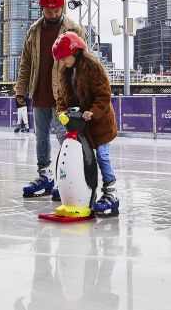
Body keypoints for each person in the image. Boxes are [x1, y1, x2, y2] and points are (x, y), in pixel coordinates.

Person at [14, 0, 85, 197]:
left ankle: (69, 175)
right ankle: (45, 176)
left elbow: (83, 63)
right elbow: (26, 62)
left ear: (62, 7)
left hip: (64, 93)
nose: (52, 15)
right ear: (42, 9)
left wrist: (80, 92)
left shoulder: (74, 30)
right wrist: (21, 88)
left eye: (56, 11)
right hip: (39, 91)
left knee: (65, 136)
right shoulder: (34, 31)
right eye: (48, 11)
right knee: (41, 136)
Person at [53, 31, 119, 216]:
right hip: (82, 125)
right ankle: (86, 190)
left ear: (75, 53)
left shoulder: (93, 67)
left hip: (100, 123)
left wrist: (94, 111)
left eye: (64, 58)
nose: (63, 62)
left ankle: (111, 192)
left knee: (102, 156)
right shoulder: (65, 72)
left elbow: (104, 94)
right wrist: (61, 112)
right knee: (81, 157)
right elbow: (61, 97)